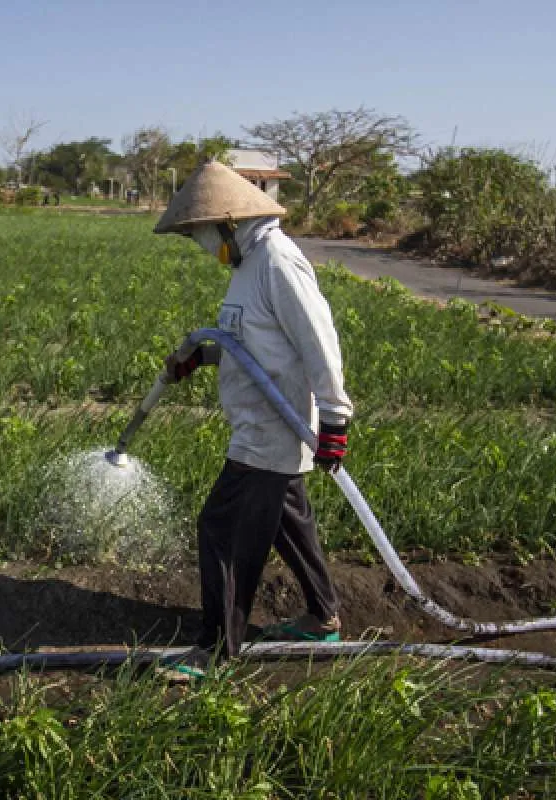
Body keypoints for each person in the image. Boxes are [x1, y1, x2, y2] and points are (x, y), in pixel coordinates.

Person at [153, 160, 354, 676]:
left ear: (227, 224)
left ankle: (216, 649)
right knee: (288, 521)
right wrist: (201, 357)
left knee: (222, 528)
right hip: (258, 425)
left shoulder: (278, 262)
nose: (203, 248)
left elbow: (319, 342)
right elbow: (247, 342)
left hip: (272, 429)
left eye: (202, 237)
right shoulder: (247, 265)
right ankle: (323, 616)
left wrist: (334, 419)